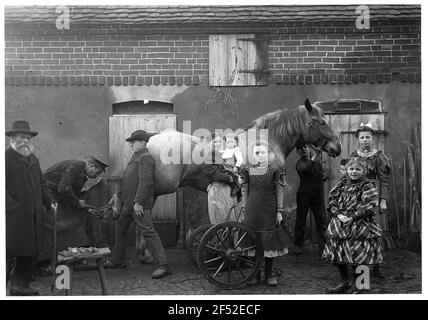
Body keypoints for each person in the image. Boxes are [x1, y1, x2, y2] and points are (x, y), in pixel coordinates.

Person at [104, 130, 171, 279]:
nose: (130, 145)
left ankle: (163, 265)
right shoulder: (136, 157)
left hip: (138, 205)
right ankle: (118, 260)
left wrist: (139, 202)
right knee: (120, 228)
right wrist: (118, 195)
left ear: (142, 142)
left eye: (133, 143)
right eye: (130, 143)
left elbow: (145, 181)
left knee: (149, 232)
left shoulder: (146, 158)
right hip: (129, 205)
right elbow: (128, 179)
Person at [6, 120, 57, 295]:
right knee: (9, 251)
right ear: (12, 138)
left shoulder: (32, 158)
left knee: (31, 250)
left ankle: (20, 285)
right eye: (21, 137)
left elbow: (42, 183)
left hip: (34, 215)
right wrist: (12, 207)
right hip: (12, 216)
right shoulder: (6, 157)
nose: (25, 141)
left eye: (28, 138)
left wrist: (49, 201)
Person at [322, 157, 383, 294]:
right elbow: (332, 202)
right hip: (341, 224)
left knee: (360, 254)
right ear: (347, 170)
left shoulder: (367, 186)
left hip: (360, 224)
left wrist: (354, 217)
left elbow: (371, 205)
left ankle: (361, 285)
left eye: (358, 169)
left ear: (364, 171)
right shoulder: (342, 185)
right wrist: (338, 215)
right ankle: (345, 282)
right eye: (351, 169)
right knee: (339, 254)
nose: (354, 172)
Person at [38, 155, 108, 267]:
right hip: (47, 196)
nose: (96, 176)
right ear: (91, 166)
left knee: (72, 221)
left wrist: (81, 204)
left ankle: (65, 257)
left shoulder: (82, 173)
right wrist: (77, 201)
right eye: (97, 172)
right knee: (58, 225)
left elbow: (72, 191)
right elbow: (63, 188)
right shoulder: (76, 166)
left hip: (56, 196)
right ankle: (46, 261)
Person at [239, 142, 290, 286]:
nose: (260, 155)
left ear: (268, 154)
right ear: (253, 156)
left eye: (262, 152)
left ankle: (268, 275)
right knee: (253, 241)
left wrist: (279, 211)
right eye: (256, 153)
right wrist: (244, 209)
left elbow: (279, 191)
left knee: (268, 242)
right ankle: (256, 275)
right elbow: (244, 190)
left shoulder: (275, 170)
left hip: (268, 209)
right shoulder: (247, 170)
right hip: (252, 210)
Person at [349, 122, 391, 279]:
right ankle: (358, 264)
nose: (365, 140)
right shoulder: (354, 156)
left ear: (372, 138)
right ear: (358, 139)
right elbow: (349, 178)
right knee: (358, 231)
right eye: (362, 137)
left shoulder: (379, 156)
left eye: (368, 137)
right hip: (357, 197)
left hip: (372, 196)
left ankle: (376, 266)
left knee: (373, 233)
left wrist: (383, 200)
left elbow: (384, 180)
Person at [292, 144, 327, 256]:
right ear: (298, 152)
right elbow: (306, 167)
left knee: (321, 222)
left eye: (305, 147)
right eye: (301, 149)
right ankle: (297, 245)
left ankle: (324, 248)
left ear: (308, 148)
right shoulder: (299, 163)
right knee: (301, 220)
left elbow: (322, 175)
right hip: (304, 195)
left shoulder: (316, 162)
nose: (304, 150)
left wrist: (323, 175)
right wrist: (316, 155)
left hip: (317, 196)